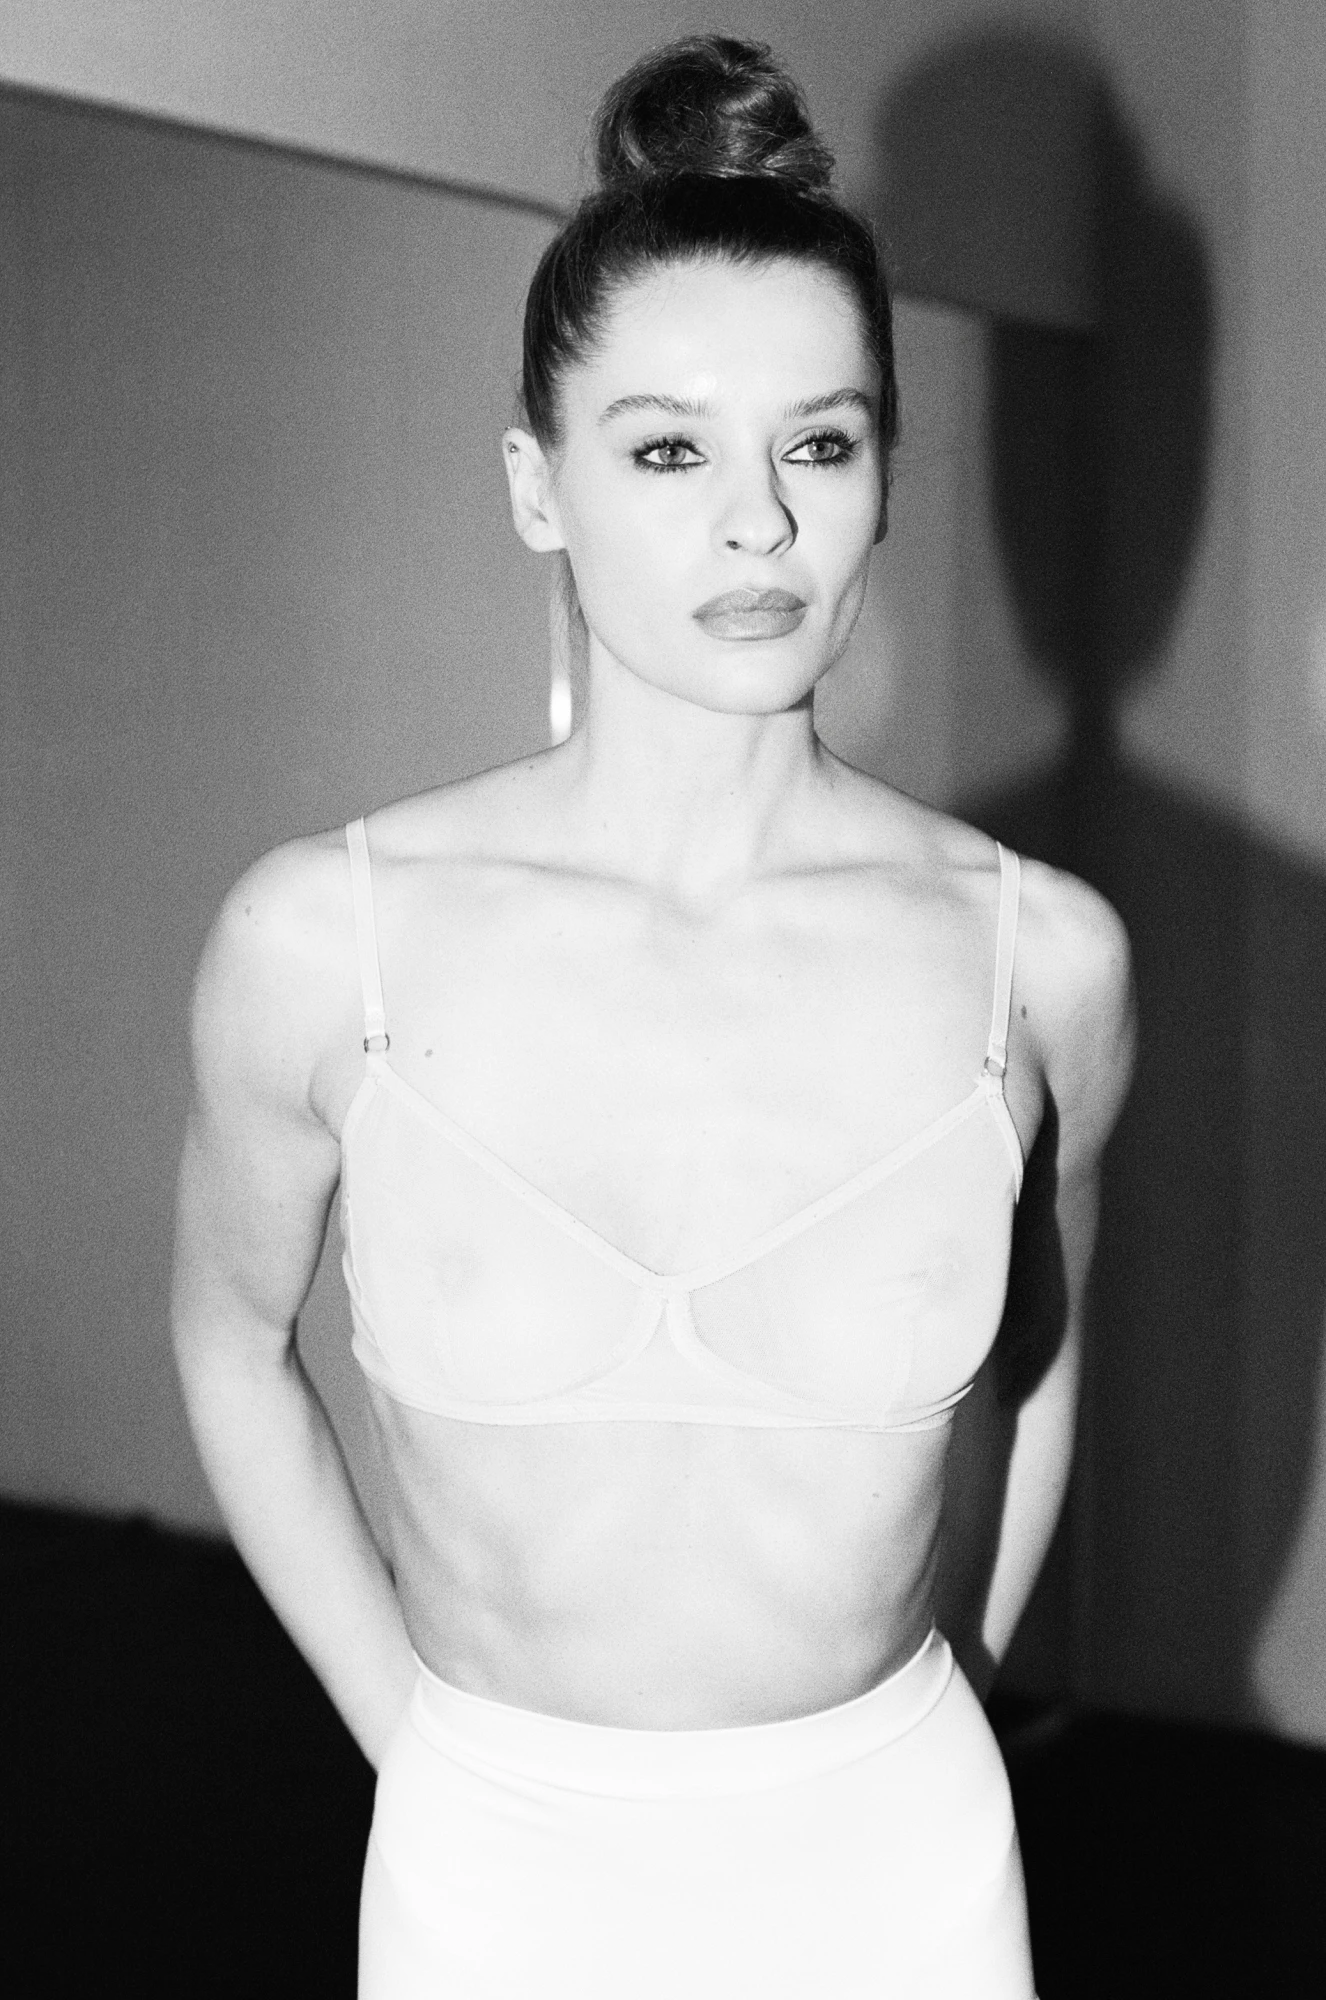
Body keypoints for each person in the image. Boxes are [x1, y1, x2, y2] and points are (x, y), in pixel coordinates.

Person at [171, 33, 1134, 1999]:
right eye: (670, 449)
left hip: (902, 1869)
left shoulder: (1039, 958)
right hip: (493, 1869)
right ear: (538, 486)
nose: (758, 524)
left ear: (885, 475)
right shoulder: (324, 941)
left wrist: (942, 1699)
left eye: (822, 443)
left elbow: (1038, 1368)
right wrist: (417, 1746)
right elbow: (225, 1337)